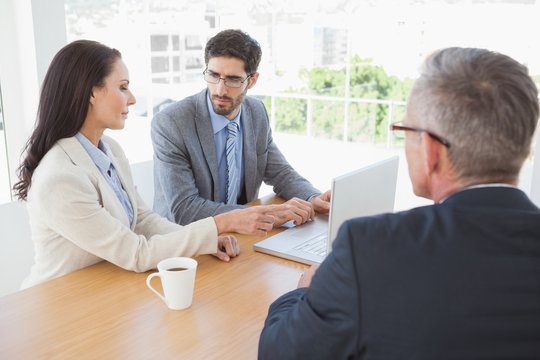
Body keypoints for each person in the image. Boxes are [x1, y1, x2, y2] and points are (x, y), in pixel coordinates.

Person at [258, 47, 540, 359]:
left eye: (406, 131)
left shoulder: (368, 248)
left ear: (432, 151)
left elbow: (278, 352)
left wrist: (303, 293)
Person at [13, 40, 241, 289]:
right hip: (61, 307)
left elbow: (142, 220)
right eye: (123, 88)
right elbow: (136, 253)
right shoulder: (60, 177)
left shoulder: (110, 148)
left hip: (105, 291)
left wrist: (207, 240)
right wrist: (219, 224)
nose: (132, 99)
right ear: (91, 92)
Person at [151, 29, 331, 236]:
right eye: (213, 75)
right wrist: (268, 215)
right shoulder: (172, 123)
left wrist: (312, 198)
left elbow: (280, 173)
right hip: (186, 242)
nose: (220, 90)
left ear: (252, 80)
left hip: (238, 237)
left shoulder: (256, 112)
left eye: (233, 79)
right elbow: (184, 210)